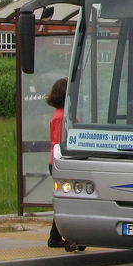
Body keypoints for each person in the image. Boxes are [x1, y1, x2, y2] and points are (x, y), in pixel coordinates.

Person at [45, 78, 83, 252]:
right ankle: (68, 237)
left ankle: (55, 237)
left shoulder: (62, 114)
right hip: (62, 161)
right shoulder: (62, 116)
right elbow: (61, 141)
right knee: (69, 199)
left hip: (59, 161)